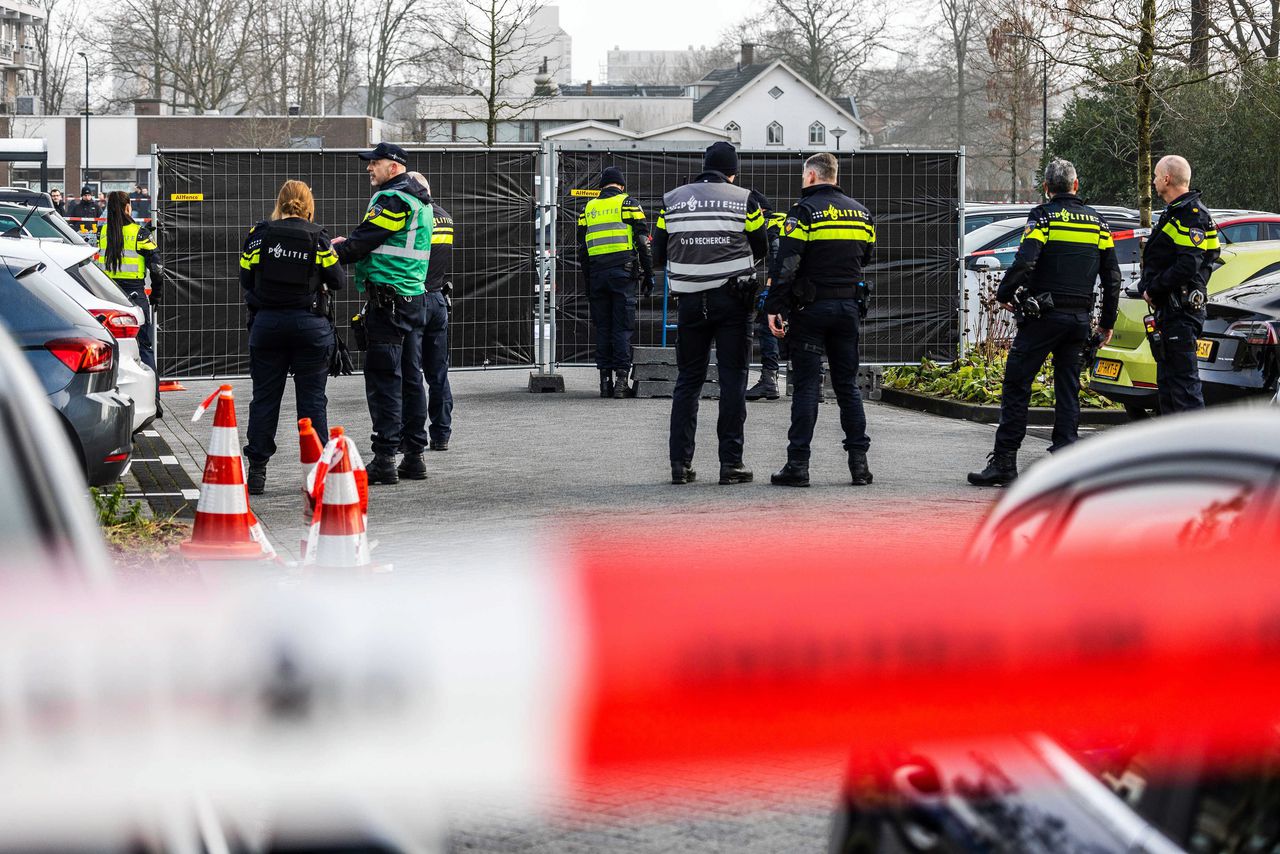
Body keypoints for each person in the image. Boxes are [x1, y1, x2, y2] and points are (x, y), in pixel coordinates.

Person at [968, 158, 1122, 487]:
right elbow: (1112, 275)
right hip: (1079, 320)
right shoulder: (1098, 222)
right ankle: (1066, 463)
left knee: (1017, 385)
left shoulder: (1043, 216)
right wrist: (1106, 321)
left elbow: (1025, 260)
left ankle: (1005, 463)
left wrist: (1004, 293)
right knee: (1068, 389)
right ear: (1076, 186)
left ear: (1047, 188)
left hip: (1043, 318)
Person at [653, 141, 767, 485]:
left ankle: (680, 465)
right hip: (734, 304)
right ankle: (731, 464)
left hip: (689, 303)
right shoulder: (744, 199)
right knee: (733, 380)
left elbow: (658, 255)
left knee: (688, 381)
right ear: (733, 171)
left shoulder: (671, 201)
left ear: (704, 166)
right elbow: (760, 247)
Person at [764, 152, 877, 487]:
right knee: (847, 387)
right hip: (848, 310)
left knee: (808, 387)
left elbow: (786, 265)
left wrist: (774, 307)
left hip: (811, 311)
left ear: (811, 176)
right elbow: (867, 256)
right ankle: (860, 466)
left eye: (803, 176)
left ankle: (798, 466)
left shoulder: (805, 212)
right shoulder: (862, 213)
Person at [331, 142, 433, 486]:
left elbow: (363, 242)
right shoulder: (418, 198)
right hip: (411, 298)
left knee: (384, 380)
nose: (368, 168)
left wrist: (331, 250)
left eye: (374, 162)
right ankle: (414, 456)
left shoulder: (394, 198)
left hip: (388, 302)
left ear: (394, 166)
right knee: (410, 377)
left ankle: (385, 459)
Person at [238, 180, 345, 495]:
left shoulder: (258, 237)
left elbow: (245, 278)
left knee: (264, 400)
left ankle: (257, 471)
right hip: (310, 328)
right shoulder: (319, 238)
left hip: (267, 326)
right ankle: (317, 474)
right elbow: (337, 280)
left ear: (280, 203)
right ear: (308, 203)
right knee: (312, 401)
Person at [1139, 154, 1220, 414]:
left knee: (1185, 390)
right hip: (1172, 311)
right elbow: (1212, 256)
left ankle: (1195, 451)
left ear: (1166, 178)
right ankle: (1174, 450)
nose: (1152, 181)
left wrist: (1154, 288)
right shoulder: (1178, 213)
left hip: (1180, 313)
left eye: (1155, 176)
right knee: (1169, 388)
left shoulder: (1190, 214)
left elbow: (1189, 264)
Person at [577, 165, 656, 399]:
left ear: (602, 186)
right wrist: (649, 274)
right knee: (621, 327)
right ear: (621, 185)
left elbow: (583, 251)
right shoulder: (629, 203)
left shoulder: (588, 208)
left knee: (603, 328)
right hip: (623, 274)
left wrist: (588, 281)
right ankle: (622, 382)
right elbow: (643, 242)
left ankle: (605, 382)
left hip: (597, 275)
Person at [405, 171, 453, 453]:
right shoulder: (445, 216)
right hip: (438, 299)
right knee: (438, 373)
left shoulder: (414, 217)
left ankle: (410, 435)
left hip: (415, 298)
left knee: (410, 373)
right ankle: (442, 433)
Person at [95, 191, 163, 372]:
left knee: (111, 348)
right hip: (134, 297)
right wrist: (156, 295)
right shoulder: (140, 234)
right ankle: (152, 398)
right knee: (143, 347)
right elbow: (157, 269)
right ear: (127, 207)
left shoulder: (102, 232)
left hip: (107, 297)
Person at [746, 205, 787, 401]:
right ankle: (818, 385)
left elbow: (777, 252)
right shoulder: (788, 217)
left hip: (783, 282)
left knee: (766, 324)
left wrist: (771, 285)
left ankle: (769, 381)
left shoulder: (769, 223)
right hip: (805, 283)